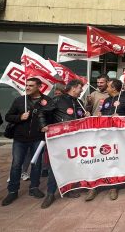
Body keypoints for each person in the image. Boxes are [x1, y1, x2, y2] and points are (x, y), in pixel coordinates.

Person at [39, 79, 90, 209]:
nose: (81, 91)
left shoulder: (79, 102)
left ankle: (68, 190)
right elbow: (42, 112)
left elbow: (79, 119)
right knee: (55, 166)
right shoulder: (58, 100)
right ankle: (50, 194)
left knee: (71, 165)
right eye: (80, 88)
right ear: (73, 88)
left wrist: (86, 116)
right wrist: (43, 125)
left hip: (75, 140)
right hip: (59, 139)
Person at [2, 78, 50, 206]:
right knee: (16, 164)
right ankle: (12, 191)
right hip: (20, 138)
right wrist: (19, 117)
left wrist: (47, 126)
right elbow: (8, 116)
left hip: (38, 138)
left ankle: (34, 188)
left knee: (37, 164)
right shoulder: (19, 100)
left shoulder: (47, 101)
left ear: (39, 86)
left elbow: (52, 118)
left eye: (31, 85)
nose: (27, 87)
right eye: (26, 85)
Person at [85, 79, 125, 202]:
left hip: (117, 136)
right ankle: (94, 187)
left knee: (114, 160)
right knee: (99, 158)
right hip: (103, 134)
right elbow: (103, 111)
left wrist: (120, 116)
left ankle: (113, 186)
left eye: (109, 86)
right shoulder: (106, 100)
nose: (106, 88)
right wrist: (100, 114)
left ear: (114, 88)